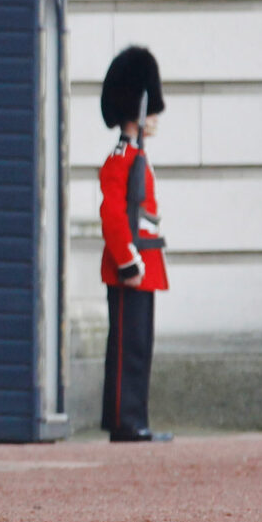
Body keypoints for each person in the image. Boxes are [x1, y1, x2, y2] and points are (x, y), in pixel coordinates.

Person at [98, 46, 172, 443]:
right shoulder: (120, 159)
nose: (157, 117)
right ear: (139, 109)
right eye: (152, 109)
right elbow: (112, 216)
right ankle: (125, 421)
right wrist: (128, 260)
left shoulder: (136, 157)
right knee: (128, 345)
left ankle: (134, 416)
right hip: (130, 266)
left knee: (139, 345)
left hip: (144, 264)